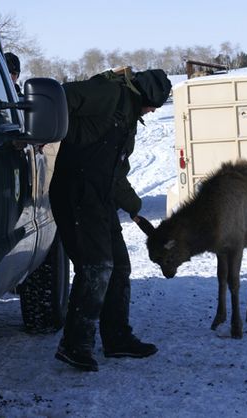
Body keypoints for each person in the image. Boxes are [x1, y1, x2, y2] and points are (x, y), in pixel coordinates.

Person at [50, 68, 171, 372]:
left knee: (118, 266)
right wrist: (47, 135)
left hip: (99, 198)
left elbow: (114, 172)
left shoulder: (127, 116)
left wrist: (135, 207)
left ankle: (117, 339)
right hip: (75, 193)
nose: (154, 110)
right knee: (96, 267)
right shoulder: (108, 93)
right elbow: (60, 96)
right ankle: (75, 345)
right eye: (154, 104)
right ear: (144, 95)